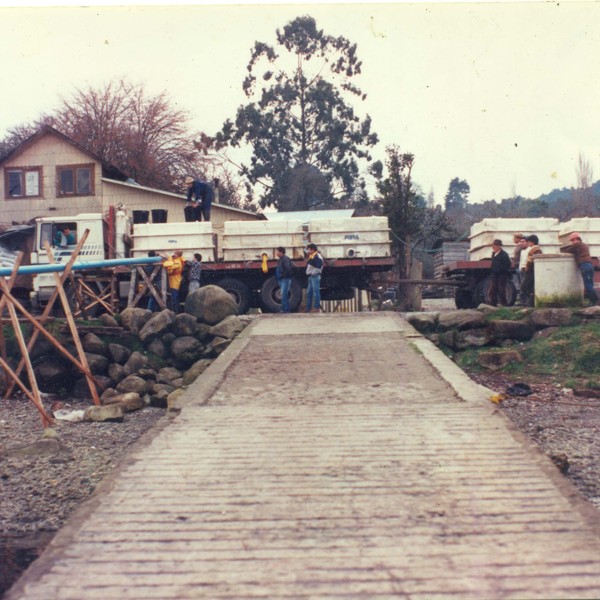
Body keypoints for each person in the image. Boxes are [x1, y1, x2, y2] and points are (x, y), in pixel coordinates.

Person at [560, 232, 599, 305]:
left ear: (576, 239)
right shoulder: (584, 245)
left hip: (585, 266)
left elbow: (566, 251)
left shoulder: (577, 245)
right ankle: (593, 302)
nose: (571, 242)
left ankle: (597, 301)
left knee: (588, 287)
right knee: (590, 285)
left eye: (572, 240)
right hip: (589, 265)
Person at [520, 234, 542, 307]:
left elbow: (529, 262)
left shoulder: (533, 250)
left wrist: (527, 269)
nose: (528, 243)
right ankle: (531, 303)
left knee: (524, 287)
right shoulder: (538, 249)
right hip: (534, 271)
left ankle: (529, 303)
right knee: (531, 287)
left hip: (530, 271)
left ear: (532, 242)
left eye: (528, 242)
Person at [489, 239, 512, 306]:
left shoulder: (504, 255)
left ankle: (504, 304)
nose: (494, 247)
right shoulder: (494, 254)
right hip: (494, 275)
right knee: (493, 290)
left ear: (499, 246)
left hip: (501, 275)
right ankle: (493, 303)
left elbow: (507, 265)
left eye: (495, 246)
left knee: (501, 290)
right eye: (493, 246)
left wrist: (500, 271)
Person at [305, 243, 324, 313]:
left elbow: (319, 267)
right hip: (311, 276)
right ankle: (308, 308)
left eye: (309, 249)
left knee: (316, 292)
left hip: (314, 276)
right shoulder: (313, 256)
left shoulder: (317, 256)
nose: (308, 251)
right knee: (309, 292)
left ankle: (316, 308)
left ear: (312, 249)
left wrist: (312, 273)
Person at [275, 246, 293, 313]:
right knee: (284, 294)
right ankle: (286, 309)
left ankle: (284, 310)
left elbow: (288, 269)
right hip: (282, 279)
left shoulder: (285, 259)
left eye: (277, 252)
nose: (276, 253)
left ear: (281, 252)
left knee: (284, 294)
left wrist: (283, 276)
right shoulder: (280, 259)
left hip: (285, 279)